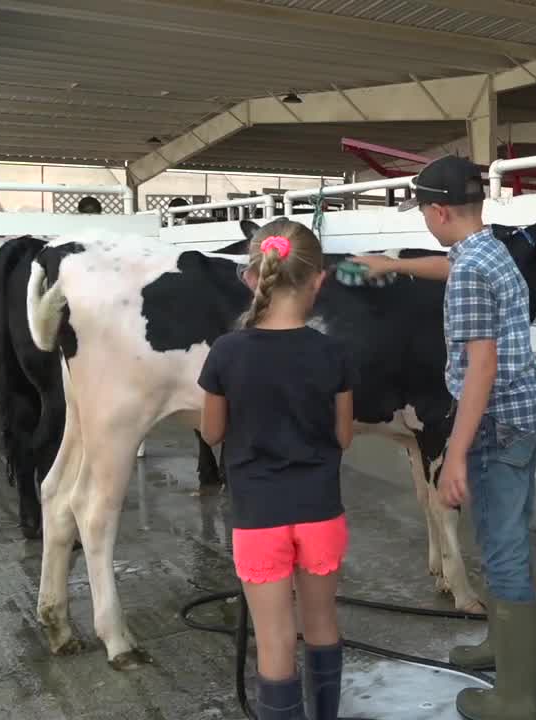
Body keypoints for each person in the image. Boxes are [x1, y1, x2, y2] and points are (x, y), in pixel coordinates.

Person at [351, 154, 536, 720]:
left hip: (495, 424)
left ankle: (517, 700)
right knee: (500, 534)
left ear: (438, 211)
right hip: (527, 411)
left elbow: (480, 366)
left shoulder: (471, 273)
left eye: (421, 209)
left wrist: (456, 454)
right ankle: (498, 650)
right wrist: (394, 266)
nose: (422, 218)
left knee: (505, 551)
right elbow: (454, 268)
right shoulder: (491, 250)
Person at [197, 219, 357, 720]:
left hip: (258, 516)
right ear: (319, 280)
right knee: (322, 621)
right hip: (320, 511)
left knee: (274, 640)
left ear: (252, 277)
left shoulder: (226, 352)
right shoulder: (333, 352)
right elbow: (344, 436)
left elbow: (211, 433)